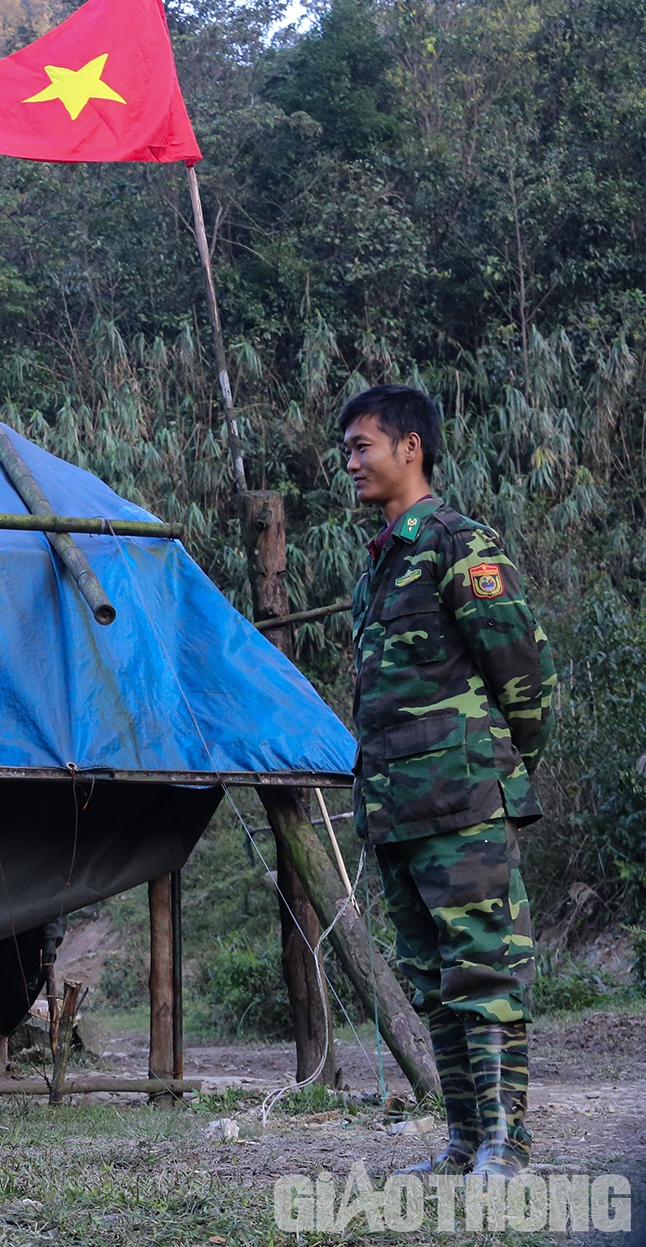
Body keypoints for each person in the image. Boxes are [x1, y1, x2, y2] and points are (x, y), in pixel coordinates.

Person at [341, 384, 556, 1180]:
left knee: (484, 969)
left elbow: (524, 676)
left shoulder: (460, 545)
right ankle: (464, 1141)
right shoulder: (377, 571)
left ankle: (509, 1144)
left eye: (364, 445)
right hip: (397, 812)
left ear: (411, 448)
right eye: (349, 450)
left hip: (463, 803)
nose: (352, 462)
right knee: (433, 981)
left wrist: (498, 770)